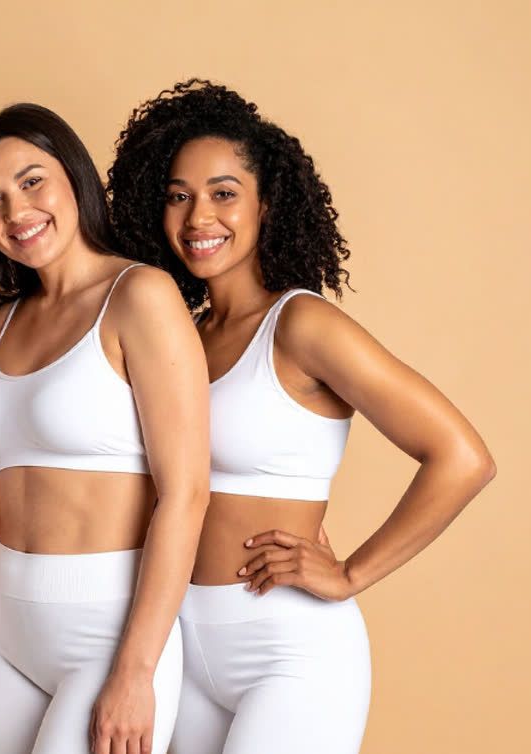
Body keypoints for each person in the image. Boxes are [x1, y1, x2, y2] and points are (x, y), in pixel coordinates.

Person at [107, 78, 497, 754]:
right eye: (179, 195)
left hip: (285, 650)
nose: (199, 217)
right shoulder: (180, 334)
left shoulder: (300, 324)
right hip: (179, 639)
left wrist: (350, 576)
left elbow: (462, 457)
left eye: (224, 194)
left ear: (268, 204)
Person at [0, 103, 210, 754]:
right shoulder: (3, 319)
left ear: (74, 177)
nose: (16, 211)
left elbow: (186, 493)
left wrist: (136, 670)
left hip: (106, 632)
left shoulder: (139, 296)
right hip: (5, 627)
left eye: (32, 180)